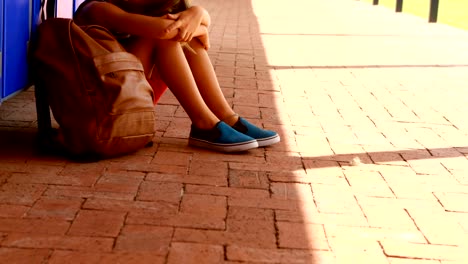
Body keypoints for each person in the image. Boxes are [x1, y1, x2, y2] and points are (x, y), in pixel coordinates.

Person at [74, 0, 280, 152]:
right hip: (102, 107)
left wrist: (198, 13)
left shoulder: (152, 9)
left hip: (129, 96)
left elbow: (176, 26)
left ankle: (226, 117)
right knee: (171, 37)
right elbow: (164, 31)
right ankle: (203, 123)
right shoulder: (97, 8)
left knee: (187, 39)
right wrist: (199, 26)